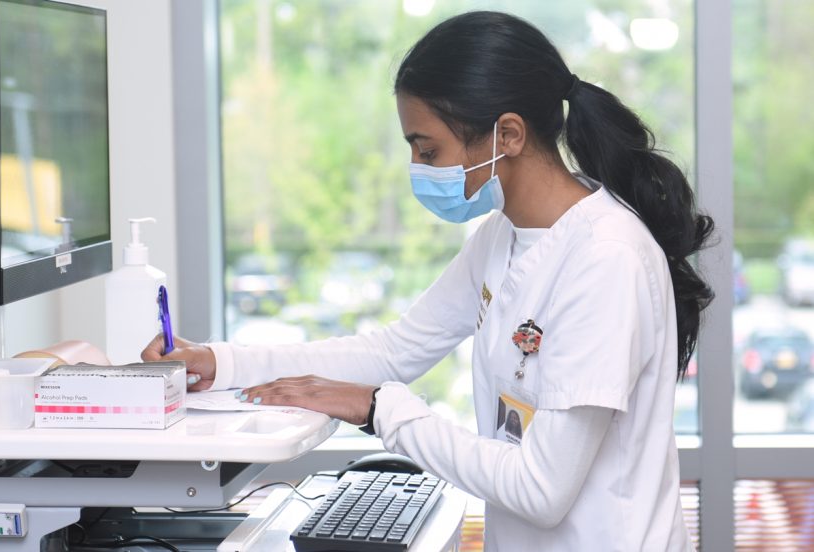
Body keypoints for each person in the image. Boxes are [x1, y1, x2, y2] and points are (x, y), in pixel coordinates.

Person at [143, 11, 712, 551]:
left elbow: (542, 490)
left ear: (507, 135)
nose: (420, 168)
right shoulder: (505, 236)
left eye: (428, 149)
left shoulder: (605, 258)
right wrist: (223, 363)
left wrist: (381, 410)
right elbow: (395, 351)